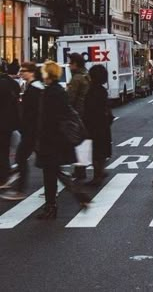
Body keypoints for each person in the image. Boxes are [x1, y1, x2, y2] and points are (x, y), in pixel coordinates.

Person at [35, 61, 91, 219]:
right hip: (58, 140)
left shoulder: (51, 92)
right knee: (54, 172)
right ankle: (75, 198)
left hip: (51, 140)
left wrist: (40, 139)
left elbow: (49, 118)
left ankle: (52, 206)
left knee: (51, 174)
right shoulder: (58, 90)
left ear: (47, 74)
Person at [0, 62, 42, 201]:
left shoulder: (35, 88)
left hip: (32, 130)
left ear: (31, 72)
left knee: (22, 157)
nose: (20, 73)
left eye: (24, 70)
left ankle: (20, 189)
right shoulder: (29, 86)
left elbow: (35, 111)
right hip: (31, 129)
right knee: (42, 160)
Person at [84, 65, 112, 186]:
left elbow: (89, 109)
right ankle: (100, 172)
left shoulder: (92, 91)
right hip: (103, 124)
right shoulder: (102, 90)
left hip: (93, 124)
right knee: (101, 150)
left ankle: (97, 176)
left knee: (95, 151)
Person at [67, 53, 90, 180]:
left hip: (78, 114)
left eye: (70, 63)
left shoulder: (76, 78)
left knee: (77, 141)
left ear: (75, 64)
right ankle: (80, 169)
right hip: (86, 113)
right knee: (82, 142)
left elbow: (70, 98)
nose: (69, 65)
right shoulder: (86, 74)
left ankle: (80, 170)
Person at [0, 63, 21, 189]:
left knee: (2, 150)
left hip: (2, 121)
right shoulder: (13, 84)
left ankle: (3, 176)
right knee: (5, 149)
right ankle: (5, 173)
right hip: (10, 122)